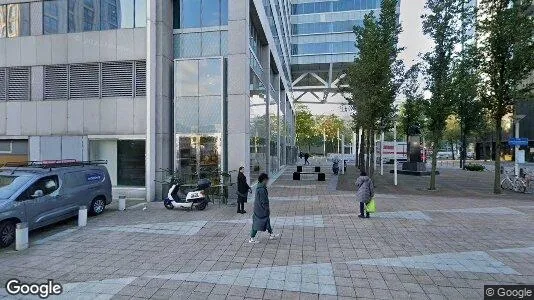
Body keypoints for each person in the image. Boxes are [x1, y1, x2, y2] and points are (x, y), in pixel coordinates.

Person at [249, 173, 279, 243]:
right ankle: (251, 238)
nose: (267, 182)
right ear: (264, 180)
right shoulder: (262, 189)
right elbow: (264, 201)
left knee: (267, 220)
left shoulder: (259, 186)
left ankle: (271, 234)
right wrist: (267, 209)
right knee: (257, 223)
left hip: (258, 208)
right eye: (267, 180)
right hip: (261, 209)